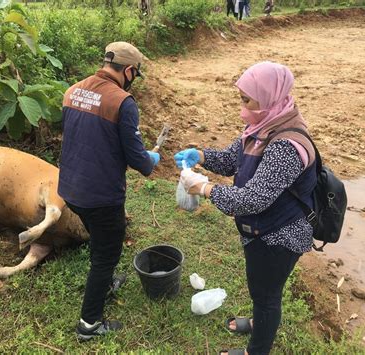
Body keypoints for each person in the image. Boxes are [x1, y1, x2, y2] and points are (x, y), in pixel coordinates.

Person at [174, 61, 317, 355]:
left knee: (267, 294)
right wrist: (200, 154)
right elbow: (231, 160)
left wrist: (205, 188)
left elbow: (252, 199)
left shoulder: (286, 145)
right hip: (263, 227)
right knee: (260, 287)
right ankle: (258, 321)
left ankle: (257, 349)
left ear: (267, 97)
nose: (242, 107)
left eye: (245, 100)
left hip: (280, 235)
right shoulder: (264, 124)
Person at [58, 41, 160, 341]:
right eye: (134, 74)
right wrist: (151, 159)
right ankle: (89, 324)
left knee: (101, 245)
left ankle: (104, 281)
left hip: (69, 188)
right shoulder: (122, 102)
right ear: (128, 70)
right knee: (107, 253)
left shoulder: (73, 90)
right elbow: (138, 160)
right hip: (100, 196)